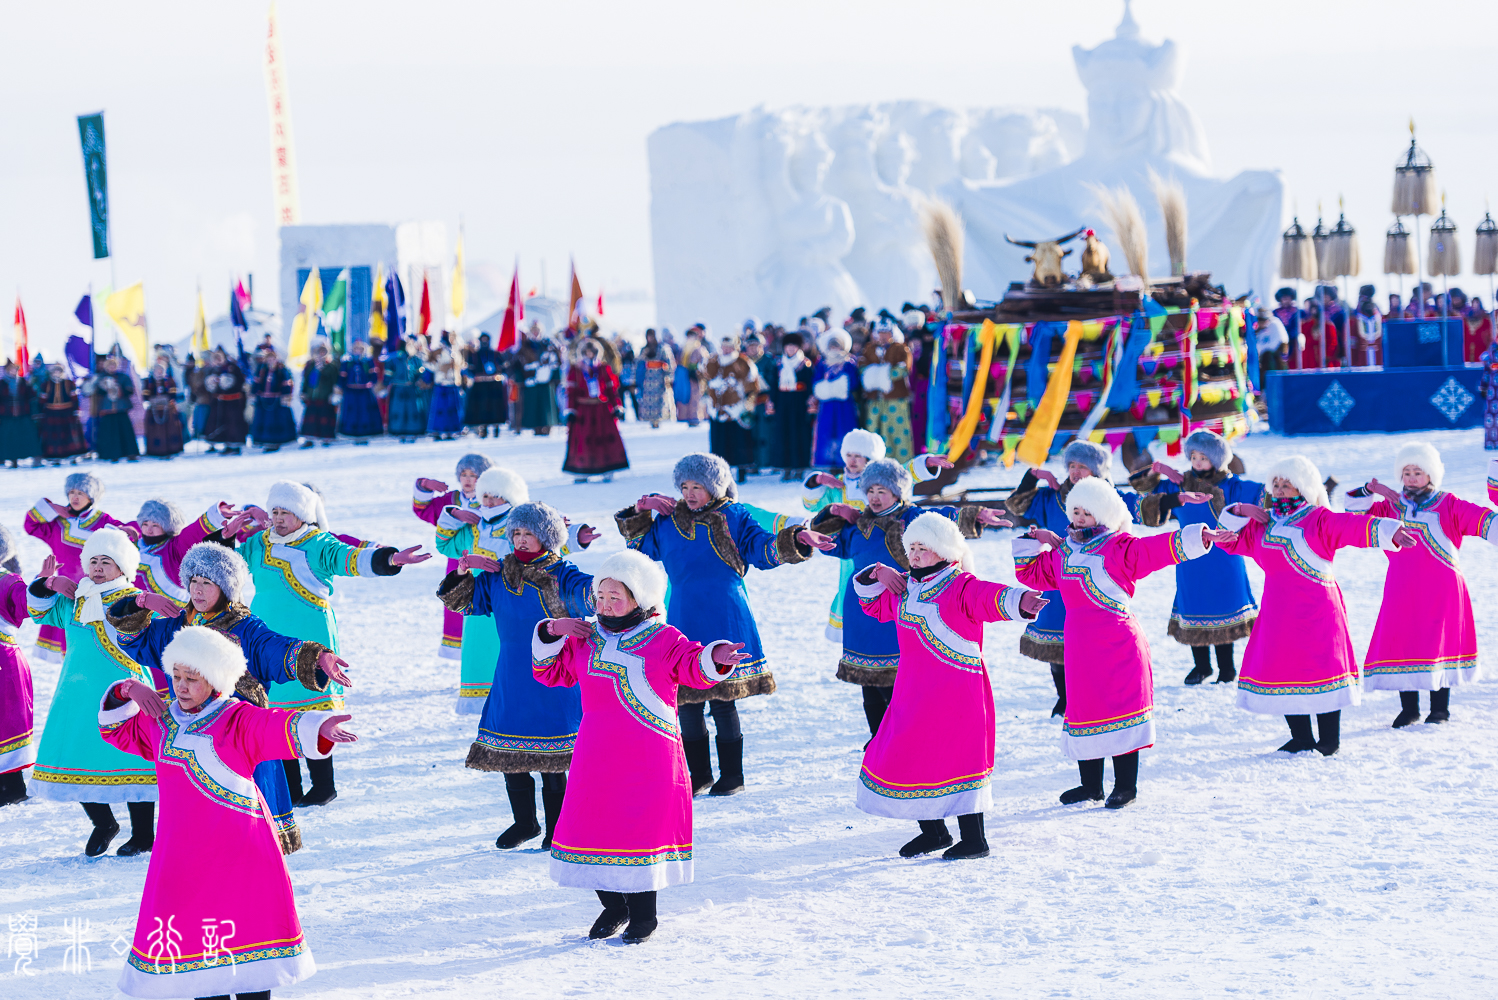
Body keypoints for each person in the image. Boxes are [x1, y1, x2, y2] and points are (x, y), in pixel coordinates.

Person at [100, 626, 354, 998]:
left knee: (251, 955)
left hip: (242, 853)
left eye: (192, 679)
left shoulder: (236, 718)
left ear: (216, 680)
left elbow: (276, 725)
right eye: (176, 676)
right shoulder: (159, 719)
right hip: (183, 860)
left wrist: (320, 726)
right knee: (200, 958)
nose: (181, 686)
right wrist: (128, 689)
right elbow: (115, 729)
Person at [532, 549, 744, 944]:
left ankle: (644, 915)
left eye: (617, 596)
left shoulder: (662, 637)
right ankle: (614, 906)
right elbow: (549, 673)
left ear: (640, 599)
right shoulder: (585, 636)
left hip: (650, 756)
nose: (606, 604)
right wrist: (552, 631)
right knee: (589, 824)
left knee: (638, 830)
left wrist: (716, 656)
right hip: (595, 753)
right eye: (600, 595)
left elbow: (692, 665)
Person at [108, 543, 353, 851]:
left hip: (240, 739)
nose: (197, 590)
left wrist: (317, 658)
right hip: (192, 738)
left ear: (225, 588)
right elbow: (134, 640)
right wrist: (140, 601)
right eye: (193, 581)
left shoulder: (246, 628)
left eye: (207, 583)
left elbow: (277, 648)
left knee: (250, 838)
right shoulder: (177, 625)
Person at [616, 453, 833, 795]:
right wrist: (641, 509)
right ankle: (699, 774)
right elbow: (640, 548)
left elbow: (761, 548)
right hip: (683, 617)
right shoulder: (669, 522)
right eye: (684, 486)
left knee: (722, 699)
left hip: (725, 615)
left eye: (697, 486)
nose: (689, 493)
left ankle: (733, 775)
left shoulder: (735, 516)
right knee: (687, 700)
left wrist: (795, 540)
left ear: (714, 487)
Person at [1017, 480, 1228, 808]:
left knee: (1121, 710)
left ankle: (1125, 786)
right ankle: (1091, 786)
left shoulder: (1120, 546)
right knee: (1085, 708)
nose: (1081, 517)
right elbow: (1030, 574)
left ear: (1103, 514)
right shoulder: (1063, 552)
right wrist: (1035, 540)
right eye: (1075, 511)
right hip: (1080, 647)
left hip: (1118, 643)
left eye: (1088, 512)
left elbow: (1154, 550)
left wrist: (1197, 537)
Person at [227, 481, 429, 804]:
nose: (278, 518)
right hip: (265, 641)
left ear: (304, 515)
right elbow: (226, 568)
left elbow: (351, 559)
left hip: (311, 636)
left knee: (312, 706)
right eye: (274, 511)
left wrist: (389, 560)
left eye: (286, 512)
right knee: (275, 711)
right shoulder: (257, 544)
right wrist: (222, 535)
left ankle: (323, 786)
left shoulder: (318, 543)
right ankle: (290, 789)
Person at [854, 513, 1042, 858]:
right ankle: (935, 832)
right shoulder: (905, 586)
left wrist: (1021, 601)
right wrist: (877, 573)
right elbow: (873, 605)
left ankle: (974, 838)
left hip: (958, 692)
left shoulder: (960, 584)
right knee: (910, 752)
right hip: (913, 692)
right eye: (910, 547)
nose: (913, 555)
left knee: (960, 755)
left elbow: (990, 597)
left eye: (922, 548)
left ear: (942, 550)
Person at [1216, 456, 1414, 755]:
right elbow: (1226, 542)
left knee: (1322, 667)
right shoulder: (1263, 523)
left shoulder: (1319, 518)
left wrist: (1389, 531)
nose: (1280, 489)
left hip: (1317, 610)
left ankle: (1329, 739)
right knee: (1283, 667)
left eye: (1287, 484)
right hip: (1278, 612)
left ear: (1304, 487)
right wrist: (1238, 511)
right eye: (1276, 484)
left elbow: (1353, 525)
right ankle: (1301, 737)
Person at [811, 458, 1007, 738]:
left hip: (898, 608)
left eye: (882, 491)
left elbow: (941, 522)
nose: (875, 498)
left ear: (897, 493)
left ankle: (903, 739)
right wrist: (831, 511)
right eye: (870, 491)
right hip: (862, 614)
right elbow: (827, 544)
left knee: (900, 683)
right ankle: (877, 740)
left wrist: (975, 515)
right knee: (870, 686)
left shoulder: (910, 518)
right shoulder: (856, 525)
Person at [439, 502, 595, 850]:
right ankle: (525, 822)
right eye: (518, 533)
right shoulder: (499, 574)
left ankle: (557, 828)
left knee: (554, 760)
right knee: (511, 752)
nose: (522, 540)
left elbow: (593, 594)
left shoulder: (563, 574)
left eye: (530, 533)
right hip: (511, 674)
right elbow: (463, 602)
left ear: (548, 537)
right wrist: (463, 569)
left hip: (555, 677)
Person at [1343, 444, 1497, 727]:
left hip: (1443, 589)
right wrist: (1371, 488)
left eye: (1418, 472)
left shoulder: (1448, 503)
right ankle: (1409, 709)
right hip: (1402, 587)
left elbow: (1483, 521)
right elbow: (1351, 511)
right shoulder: (1389, 506)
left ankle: (1440, 709)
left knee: (1438, 641)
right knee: (1404, 639)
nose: (1412, 477)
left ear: (1431, 474)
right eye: (1406, 472)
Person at [27, 527, 158, 855]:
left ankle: (143, 835)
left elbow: (147, 631)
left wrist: (144, 602)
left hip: (124, 692)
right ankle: (104, 823)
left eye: (107, 562)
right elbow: (38, 612)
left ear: (123, 569)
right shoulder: (76, 600)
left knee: (132, 759)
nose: (98, 567)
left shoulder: (131, 599)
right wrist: (46, 584)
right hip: (77, 695)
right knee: (77, 753)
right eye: (94, 561)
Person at [1003, 441, 1140, 715]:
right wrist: (1033, 476)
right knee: (1058, 645)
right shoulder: (1053, 496)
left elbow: (1143, 509)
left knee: (1096, 647)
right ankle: (1065, 698)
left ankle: (1094, 696)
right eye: (1072, 466)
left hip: (1097, 583)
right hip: (1058, 581)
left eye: (1083, 466)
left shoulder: (1110, 498)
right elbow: (1017, 506)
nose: (1076, 472)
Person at [1129, 429, 1263, 685]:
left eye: (1203, 457)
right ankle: (1201, 667)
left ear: (1217, 459)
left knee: (1224, 609)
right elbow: (1141, 488)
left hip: (1225, 557)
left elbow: (1262, 496)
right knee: (1195, 606)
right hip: (1190, 557)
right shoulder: (1179, 482)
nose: (1197, 462)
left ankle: (1227, 668)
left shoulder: (1231, 484)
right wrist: (1159, 470)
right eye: (1193, 456)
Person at [434, 465, 529, 712]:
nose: (487, 500)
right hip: (478, 608)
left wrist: (575, 535)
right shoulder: (474, 525)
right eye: (484, 495)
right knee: (481, 660)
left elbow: (550, 552)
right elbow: (445, 546)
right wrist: (454, 515)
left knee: (513, 662)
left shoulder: (522, 525)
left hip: (513, 605)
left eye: (493, 495)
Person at [25, 472, 125, 662]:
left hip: (96, 593)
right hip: (64, 593)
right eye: (71, 492)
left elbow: (125, 536)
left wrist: (128, 530)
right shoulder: (59, 523)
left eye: (81, 492)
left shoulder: (103, 521)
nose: (75, 497)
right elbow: (31, 525)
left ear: (91, 497)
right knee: (70, 650)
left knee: (96, 648)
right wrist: (52, 508)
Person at [413, 453, 493, 665]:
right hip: (458, 564)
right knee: (460, 606)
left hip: (488, 563)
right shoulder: (452, 499)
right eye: (463, 474)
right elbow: (424, 510)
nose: (467, 479)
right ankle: (466, 659)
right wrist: (424, 485)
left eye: (473, 475)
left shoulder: (493, 498)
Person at [128, 498, 234, 607]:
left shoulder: (175, 548)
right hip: (128, 614)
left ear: (168, 527)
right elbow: (112, 525)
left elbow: (195, 532)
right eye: (145, 524)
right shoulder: (133, 540)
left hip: (166, 618)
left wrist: (217, 515)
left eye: (155, 525)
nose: (149, 530)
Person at [0, 525, 35, 807]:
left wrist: (44, 585)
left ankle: (12, 786)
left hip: (4, 662)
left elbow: (26, 603)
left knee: (6, 720)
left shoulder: (7, 581)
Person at [563, 338, 630, 482]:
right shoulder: (575, 369)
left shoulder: (602, 368)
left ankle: (607, 469)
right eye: (586, 352)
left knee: (604, 439)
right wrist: (570, 410)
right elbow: (571, 392)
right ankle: (581, 471)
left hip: (601, 410)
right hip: (583, 412)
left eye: (592, 352)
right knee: (583, 441)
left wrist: (617, 405)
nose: (589, 355)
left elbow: (611, 390)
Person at [701, 332, 762, 484]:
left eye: (729, 347)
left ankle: (741, 472)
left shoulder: (743, 362)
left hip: (736, 410)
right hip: (717, 410)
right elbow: (704, 379)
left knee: (738, 443)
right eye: (724, 347)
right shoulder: (713, 361)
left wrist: (746, 406)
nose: (726, 350)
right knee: (719, 444)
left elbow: (752, 386)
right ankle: (720, 474)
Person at [860, 317, 915, 462]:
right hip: (875, 400)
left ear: (892, 333)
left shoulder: (900, 348)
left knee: (897, 432)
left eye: (886, 332)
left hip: (895, 398)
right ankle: (875, 462)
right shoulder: (869, 349)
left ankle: (901, 462)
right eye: (880, 332)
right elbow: (862, 368)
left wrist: (881, 375)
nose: (883, 336)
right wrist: (874, 376)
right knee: (874, 432)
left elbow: (904, 368)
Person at [811, 329, 861, 468]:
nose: (835, 349)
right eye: (832, 346)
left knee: (844, 431)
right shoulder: (822, 364)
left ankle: (845, 461)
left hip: (844, 406)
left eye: (837, 346)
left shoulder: (848, 363)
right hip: (827, 406)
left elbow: (854, 383)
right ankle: (826, 462)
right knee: (827, 431)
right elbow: (815, 382)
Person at [773, 331, 816, 482]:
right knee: (783, 436)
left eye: (793, 346)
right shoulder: (779, 364)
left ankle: (799, 467)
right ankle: (785, 467)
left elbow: (810, 385)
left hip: (799, 404)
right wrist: (773, 401)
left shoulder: (805, 364)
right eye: (788, 346)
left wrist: (809, 402)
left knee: (799, 436)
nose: (790, 349)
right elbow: (773, 385)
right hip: (783, 403)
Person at [89, 354, 141, 463]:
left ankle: (130, 453)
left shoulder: (123, 377)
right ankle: (110, 454)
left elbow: (130, 390)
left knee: (125, 432)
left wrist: (119, 389)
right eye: (109, 366)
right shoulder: (100, 377)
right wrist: (104, 387)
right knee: (109, 433)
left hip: (121, 408)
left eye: (113, 365)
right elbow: (95, 392)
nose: (111, 368)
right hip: (107, 409)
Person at [248, 345, 297, 452]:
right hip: (263, 400)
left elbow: (287, 384)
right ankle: (263, 441)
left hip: (276, 401)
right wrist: (253, 394)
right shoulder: (261, 369)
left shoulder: (282, 370)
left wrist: (286, 395)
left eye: (273, 358)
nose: (271, 360)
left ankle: (275, 442)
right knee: (264, 421)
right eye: (269, 358)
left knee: (276, 421)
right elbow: (256, 383)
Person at [744, 330, 779, 470]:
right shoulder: (743, 361)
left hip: (764, 401)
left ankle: (767, 461)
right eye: (750, 346)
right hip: (748, 403)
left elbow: (773, 382)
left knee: (765, 434)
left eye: (755, 345)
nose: (753, 348)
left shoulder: (769, 361)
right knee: (750, 435)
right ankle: (753, 463)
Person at [39, 364, 88, 464]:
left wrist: (76, 410)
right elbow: (42, 400)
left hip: (67, 413)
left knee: (70, 435)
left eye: (59, 371)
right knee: (54, 436)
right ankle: (55, 457)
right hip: (52, 413)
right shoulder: (46, 384)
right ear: (51, 373)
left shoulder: (69, 383)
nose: (57, 374)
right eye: (55, 372)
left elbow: (74, 398)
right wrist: (41, 412)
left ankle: (73, 456)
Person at [337, 339, 384, 444]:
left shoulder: (368, 362)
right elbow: (341, 379)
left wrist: (376, 386)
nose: (358, 351)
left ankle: (365, 436)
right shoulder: (347, 363)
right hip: (351, 393)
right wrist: (339, 389)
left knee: (365, 414)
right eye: (356, 349)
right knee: (352, 414)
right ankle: (353, 435)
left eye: (360, 349)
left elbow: (374, 377)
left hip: (364, 393)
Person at [203, 347, 249, 455]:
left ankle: (235, 446)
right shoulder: (213, 369)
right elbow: (210, 387)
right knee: (223, 425)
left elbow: (240, 382)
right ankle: (227, 445)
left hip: (233, 403)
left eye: (220, 357)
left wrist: (227, 380)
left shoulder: (233, 367)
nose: (218, 360)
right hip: (220, 403)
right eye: (216, 358)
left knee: (234, 425)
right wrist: (213, 382)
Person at [464, 332, 508, 437]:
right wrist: (474, 376)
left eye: (486, 340)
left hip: (494, 385)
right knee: (482, 408)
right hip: (481, 385)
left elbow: (503, 367)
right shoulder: (475, 355)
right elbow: (469, 370)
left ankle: (496, 428)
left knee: (495, 407)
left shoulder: (496, 354)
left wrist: (500, 374)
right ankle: (483, 429)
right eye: (482, 340)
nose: (484, 342)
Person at [0, 359, 43, 468]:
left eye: (15, 369)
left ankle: (36, 458)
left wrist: (34, 412)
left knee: (30, 436)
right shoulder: (2, 383)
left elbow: (32, 397)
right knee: (9, 438)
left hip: (24, 414)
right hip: (7, 415)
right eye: (11, 370)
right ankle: (13, 460)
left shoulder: (23, 382)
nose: (13, 372)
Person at [387, 335, 430, 442]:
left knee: (413, 411)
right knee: (399, 410)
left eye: (411, 343)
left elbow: (421, 374)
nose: (410, 345)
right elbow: (388, 375)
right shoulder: (394, 359)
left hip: (412, 390)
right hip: (398, 390)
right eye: (408, 343)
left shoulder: (416, 359)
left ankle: (413, 432)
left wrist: (420, 380)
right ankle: (399, 432)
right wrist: (383, 384)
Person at [139, 356, 183, 458]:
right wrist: (152, 400)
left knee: (170, 430)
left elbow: (173, 393)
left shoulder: (169, 380)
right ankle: (156, 450)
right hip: (154, 410)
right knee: (156, 432)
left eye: (161, 370)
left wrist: (167, 400)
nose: (159, 372)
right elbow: (145, 395)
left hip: (168, 409)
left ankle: (171, 449)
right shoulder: (148, 381)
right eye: (157, 370)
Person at [298, 340, 339, 447]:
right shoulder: (310, 365)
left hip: (325, 396)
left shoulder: (331, 366)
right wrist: (303, 392)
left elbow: (334, 381)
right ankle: (309, 439)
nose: (321, 354)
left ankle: (326, 438)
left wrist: (334, 394)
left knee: (325, 418)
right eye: (319, 352)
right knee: (311, 419)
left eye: (323, 352)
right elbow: (306, 380)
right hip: (312, 396)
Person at [426, 332, 464, 440]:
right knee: (439, 409)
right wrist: (441, 367)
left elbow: (460, 365)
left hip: (452, 383)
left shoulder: (455, 351)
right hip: (441, 383)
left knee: (452, 408)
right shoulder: (438, 351)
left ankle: (450, 431)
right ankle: (437, 431)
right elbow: (430, 366)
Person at [635, 329, 676, 428]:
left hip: (659, 378)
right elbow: (638, 363)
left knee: (660, 400)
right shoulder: (645, 349)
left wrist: (669, 376)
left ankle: (658, 419)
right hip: (647, 379)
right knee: (649, 401)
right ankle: (651, 420)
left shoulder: (663, 348)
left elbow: (670, 363)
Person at [675, 327, 707, 426]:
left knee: (695, 398)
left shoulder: (699, 349)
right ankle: (684, 417)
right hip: (685, 378)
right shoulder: (683, 349)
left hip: (695, 378)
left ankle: (695, 418)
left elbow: (704, 362)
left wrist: (696, 370)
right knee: (685, 397)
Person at [1350, 284, 1384, 367]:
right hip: (1362, 360)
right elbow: (1352, 344)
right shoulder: (1355, 320)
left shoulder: (1379, 318)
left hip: (1379, 359)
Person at [1255, 306, 1289, 377]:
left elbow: (1277, 342)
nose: (1262, 322)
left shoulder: (1274, 324)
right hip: (1264, 360)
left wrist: (1262, 350)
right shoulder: (1259, 329)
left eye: (1264, 320)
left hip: (1276, 358)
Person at [1464, 297, 1493, 362]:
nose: (1475, 305)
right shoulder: (1465, 321)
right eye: (1473, 303)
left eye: (1476, 303)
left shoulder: (1486, 321)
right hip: (1466, 354)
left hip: (1481, 353)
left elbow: (1490, 337)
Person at [1482, 338, 1498, 451]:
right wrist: (1484, 385)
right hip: (1493, 388)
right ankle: (1492, 442)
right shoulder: (1493, 348)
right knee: (1492, 415)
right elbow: (1487, 369)